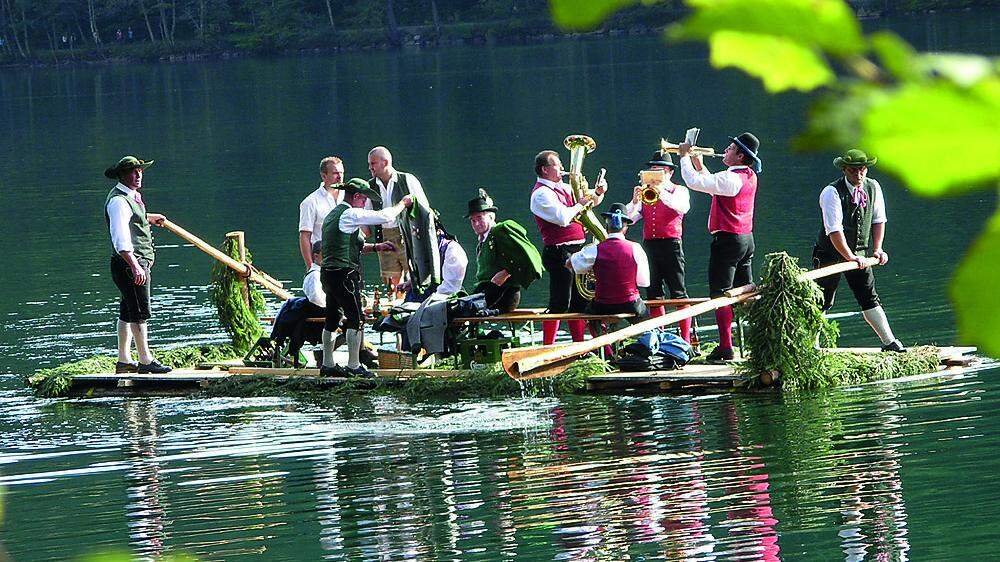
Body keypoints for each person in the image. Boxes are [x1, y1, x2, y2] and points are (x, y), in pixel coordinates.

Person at [678, 132, 761, 362]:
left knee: (719, 294)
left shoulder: (731, 178)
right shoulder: (748, 175)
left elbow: (695, 183)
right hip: (746, 239)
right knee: (746, 292)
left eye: (731, 148)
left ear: (740, 156)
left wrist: (684, 157)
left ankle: (726, 346)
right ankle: (759, 341)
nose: (725, 150)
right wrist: (699, 164)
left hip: (728, 241)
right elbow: (713, 185)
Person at [814, 149, 905, 352]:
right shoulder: (831, 192)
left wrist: (878, 249)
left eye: (862, 169)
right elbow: (834, 230)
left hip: (860, 253)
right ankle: (813, 346)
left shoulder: (873, 187)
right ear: (845, 170)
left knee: (868, 296)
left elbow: (878, 219)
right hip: (829, 252)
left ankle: (889, 342)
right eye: (854, 170)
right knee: (823, 299)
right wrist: (850, 257)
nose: (859, 174)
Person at [321, 178, 413, 377]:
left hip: (328, 274)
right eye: (364, 200)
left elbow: (349, 245)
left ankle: (327, 365)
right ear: (356, 197)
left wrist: (377, 247)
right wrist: (403, 204)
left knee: (332, 318)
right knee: (356, 318)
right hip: (344, 274)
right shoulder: (350, 213)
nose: (364, 204)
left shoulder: (332, 216)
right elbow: (384, 215)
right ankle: (354, 366)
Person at [530, 149, 607, 344]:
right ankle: (548, 347)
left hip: (578, 249)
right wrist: (580, 204)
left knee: (580, 302)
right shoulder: (540, 194)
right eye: (557, 165)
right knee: (559, 302)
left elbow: (589, 204)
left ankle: (578, 346)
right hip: (559, 251)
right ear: (545, 169)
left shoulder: (564, 187)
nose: (563, 168)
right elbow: (563, 217)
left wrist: (598, 193)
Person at [103, 156, 172, 374]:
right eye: (133, 172)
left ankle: (124, 360)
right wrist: (135, 266)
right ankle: (145, 360)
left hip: (131, 264)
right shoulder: (119, 202)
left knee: (127, 310)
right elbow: (121, 238)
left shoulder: (130, 198)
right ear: (122, 175)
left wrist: (148, 217)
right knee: (139, 312)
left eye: (140, 171)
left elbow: (133, 218)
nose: (138, 175)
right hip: (130, 264)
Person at [624, 150, 693, 340]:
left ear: (669, 172)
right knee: (653, 293)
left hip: (671, 245)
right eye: (652, 169)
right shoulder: (647, 193)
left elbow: (682, 207)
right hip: (650, 246)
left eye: (659, 170)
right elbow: (629, 220)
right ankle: (659, 338)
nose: (655, 173)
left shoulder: (678, 191)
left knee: (678, 292)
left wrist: (660, 190)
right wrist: (634, 201)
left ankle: (685, 339)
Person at [366, 146, 440, 293]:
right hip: (384, 237)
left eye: (372, 163)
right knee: (391, 282)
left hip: (407, 234)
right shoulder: (371, 186)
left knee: (414, 274)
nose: (370, 168)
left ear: (385, 162)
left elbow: (424, 210)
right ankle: (394, 308)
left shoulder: (407, 180)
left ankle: (414, 304)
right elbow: (367, 216)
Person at [569, 202, 650, 320]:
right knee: (644, 318)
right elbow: (644, 282)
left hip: (602, 305)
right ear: (625, 228)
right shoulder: (636, 248)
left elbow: (570, 264)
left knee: (587, 314)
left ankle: (596, 335)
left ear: (607, 227)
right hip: (630, 304)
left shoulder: (594, 249)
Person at [467, 189, 544, 313]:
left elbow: (524, 255)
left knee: (467, 311)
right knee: (458, 307)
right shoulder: (483, 241)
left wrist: (506, 273)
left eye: (480, 218)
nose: (476, 223)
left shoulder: (499, 232)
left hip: (504, 294)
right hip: (487, 291)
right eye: (473, 220)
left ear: (491, 216)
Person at [298, 156, 344, 269]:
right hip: (322, 261)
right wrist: (310, 267)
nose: (340, 177)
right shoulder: (310, 202)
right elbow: (304, 236)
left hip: (346, 259)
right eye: (335, 173)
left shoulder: (349, 196)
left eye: (341, 172)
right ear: (324, 176)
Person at [303, 241, 326, 308]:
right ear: (316, 256)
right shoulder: (315, 275)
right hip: (319, 311)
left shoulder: (320, 273)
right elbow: (315, 299)